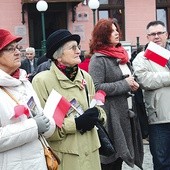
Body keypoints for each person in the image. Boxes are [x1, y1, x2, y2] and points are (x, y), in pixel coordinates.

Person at [32, 29, 106, 170]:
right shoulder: (42, 81)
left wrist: (99, 115)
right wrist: (76, 124)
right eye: (72, 48)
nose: (78, 51)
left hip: (91, 152)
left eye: (78, 47)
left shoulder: (85, 77)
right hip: (65, 157)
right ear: (58, 56)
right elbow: (44, 128)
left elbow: (97, 107)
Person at [88, 19, 143, 170]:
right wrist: (124, 85)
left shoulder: (122, 55)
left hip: (127, 114)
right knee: (111, 160)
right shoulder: (98, 59)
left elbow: (128, 78)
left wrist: (134, 84)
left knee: (120, 159)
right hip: (111, 116)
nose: (117, 33)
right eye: (112, 31)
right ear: (103, 35)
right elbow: (96, 87)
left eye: (116, 29)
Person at [0, 29, 51, 170]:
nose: (17, 52)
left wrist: (48, 123)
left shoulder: (24, 81)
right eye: (10, 49)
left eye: (17, 48)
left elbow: (38, 113)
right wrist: (34, 126)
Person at [132, 20, 170, 170]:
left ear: (166, 35)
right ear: (147, 37)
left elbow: (154, 78)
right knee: (162, 163)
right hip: (159, 119)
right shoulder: (142, 58)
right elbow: (146, 80)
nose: (157, 36)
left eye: (160, 33)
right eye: (152, 34)